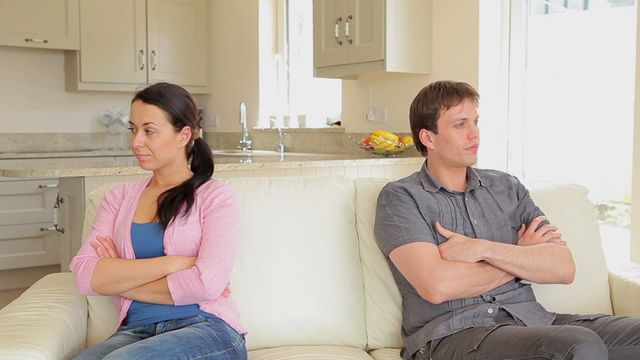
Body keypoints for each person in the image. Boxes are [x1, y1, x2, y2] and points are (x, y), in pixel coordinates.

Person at [374, 80, 640, 360]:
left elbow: (563, 268)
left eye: (475, 122)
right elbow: (437, 287)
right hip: (454, 335)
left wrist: (485, 249)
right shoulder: (401, 197)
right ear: (428, 138)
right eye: (460, 124)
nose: (474, 134)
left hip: (532, 321)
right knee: (577, 344)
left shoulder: (506, 187)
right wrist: (522, 255)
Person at [70, 82, 247, 359]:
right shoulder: (117, 198)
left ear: (183, 135)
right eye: (133, 129)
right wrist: (176, 263)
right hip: (135, 331)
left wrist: (117, 276)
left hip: (207, 329)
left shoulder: (216, 197)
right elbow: (84, 276)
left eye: (149, 131)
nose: (136, 141)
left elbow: (206, 285)